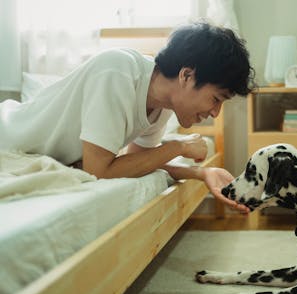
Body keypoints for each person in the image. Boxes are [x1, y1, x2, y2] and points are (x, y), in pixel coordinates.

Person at [0, 22, 254, 213]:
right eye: (217, 99)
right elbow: (99, 171)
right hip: (7, 138)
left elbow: (131, 163)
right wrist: (179, 147)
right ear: (186, 76)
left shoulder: (163, 105)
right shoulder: (117, 71)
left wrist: (200, 173)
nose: (215, 112)